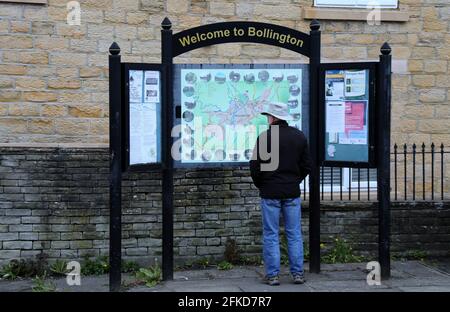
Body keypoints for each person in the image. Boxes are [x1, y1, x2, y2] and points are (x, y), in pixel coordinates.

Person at [250, 102, 312, 286]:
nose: (267, 119)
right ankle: (298, 274)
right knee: (294, 233)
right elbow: (307, 166)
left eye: (268, 116)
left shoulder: (264, 138)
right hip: (291, 192)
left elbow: (254, 168)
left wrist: (263, 184)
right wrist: (294, 180)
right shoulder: (299, 137)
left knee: (271, 234)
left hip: (270, 193)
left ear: (274, 117)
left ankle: (273, 275)